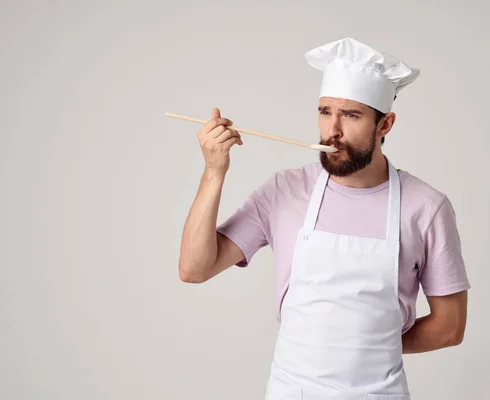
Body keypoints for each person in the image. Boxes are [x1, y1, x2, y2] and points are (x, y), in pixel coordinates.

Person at [178, 37, 471, 399]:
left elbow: (450, 327)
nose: (332, 130)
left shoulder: (427, 207)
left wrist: (369, 349)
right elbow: (194, 268)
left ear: (385, 124)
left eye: (351, 115)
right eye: (324, 111)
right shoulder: (283, 191)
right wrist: (213, 171)